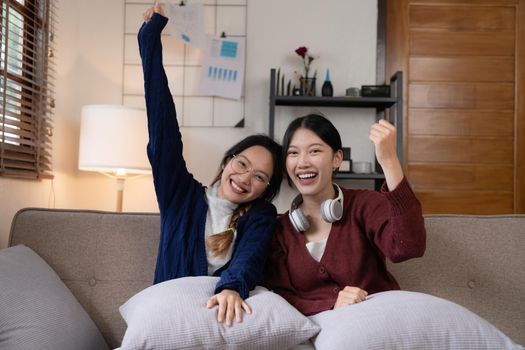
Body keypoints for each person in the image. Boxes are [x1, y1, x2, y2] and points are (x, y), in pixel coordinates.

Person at [139, 4, 283, 327]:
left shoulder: (260, 217)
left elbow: (250, 258)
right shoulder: (181, 195)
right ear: (228, 160)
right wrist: (150, 40)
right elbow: (163, 130)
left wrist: (232, 286)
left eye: (259, 176)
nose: (245, 178)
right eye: (242, 163)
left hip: (220, 325)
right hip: (168, 321)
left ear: (266, 190)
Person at [265, 113, 426, 316]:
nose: (302, 162)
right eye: (293, 153)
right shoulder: (280, 229)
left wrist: (389, 161)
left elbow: (409, 247)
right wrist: (332, 305)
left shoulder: (364, 204)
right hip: (324, 331)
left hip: (381, 318)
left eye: (314, 151)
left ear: (337, 158)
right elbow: (281, 296)